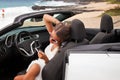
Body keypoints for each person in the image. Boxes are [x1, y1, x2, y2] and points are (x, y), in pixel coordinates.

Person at [14, 14, 71, 80]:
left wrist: (45, 59)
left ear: (62, 41)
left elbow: (53, 69)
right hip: (37, 65)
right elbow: (45, 17)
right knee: (16, 78)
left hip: (43, 69)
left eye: (54, 40)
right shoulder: (56, 36)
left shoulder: (61, 50)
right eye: (51, 35)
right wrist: (59, 23)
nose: (50, 40)